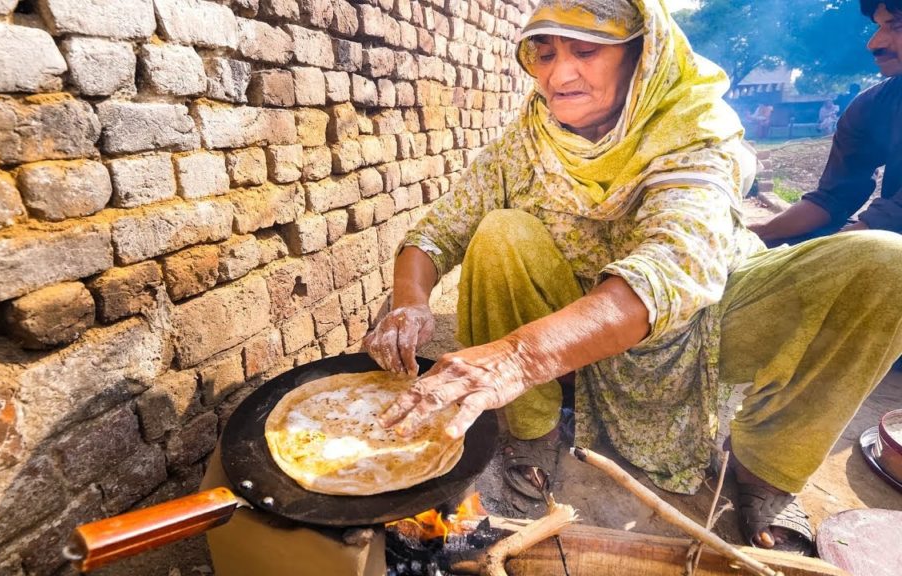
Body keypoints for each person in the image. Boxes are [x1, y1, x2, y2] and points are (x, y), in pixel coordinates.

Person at [364, 0, 902, 556]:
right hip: (577, 330)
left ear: (641, 58)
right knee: (501, 231)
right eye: (544, 54)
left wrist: (517, 357)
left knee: (885, 264)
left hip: (703, 322)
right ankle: (533, 436)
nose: (558, 74)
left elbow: (673, 265)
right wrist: (410, 301)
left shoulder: (694, 128)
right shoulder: (528, 139)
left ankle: (764, 473)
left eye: (586, 51)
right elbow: (439, 229)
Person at [751, 0, 901, 246]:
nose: (874, 44)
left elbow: (892, 217)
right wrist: (759, 235)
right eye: (879, 27)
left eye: (896, 26)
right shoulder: (873, 106)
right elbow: (834, 197)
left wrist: (820, 255)